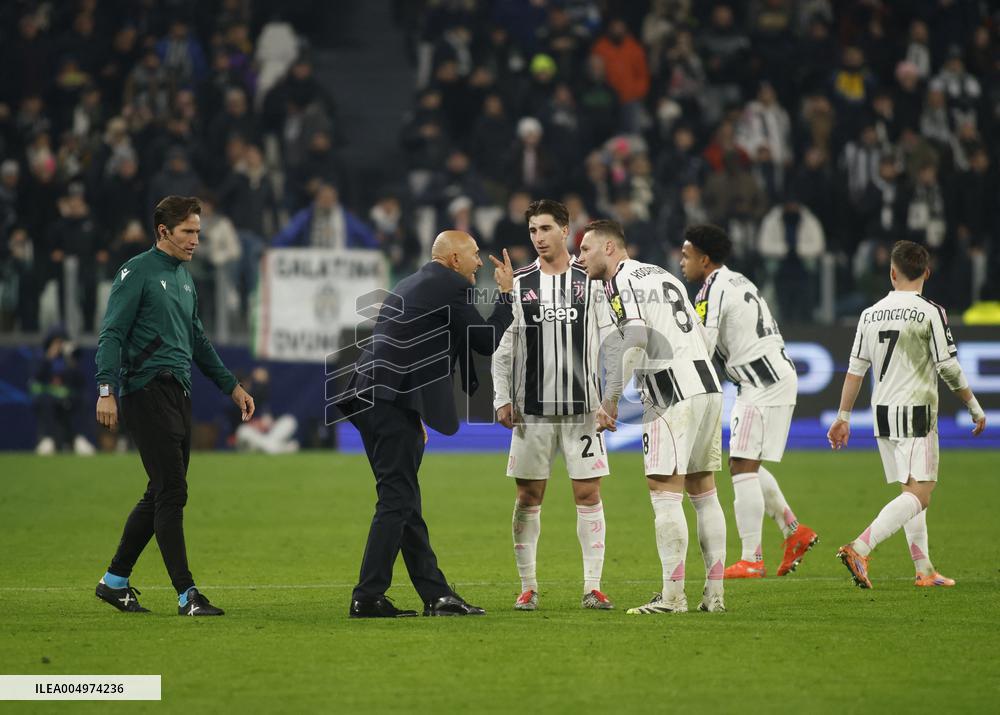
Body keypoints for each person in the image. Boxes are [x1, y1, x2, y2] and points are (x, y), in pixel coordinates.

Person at [333, 231, 515, 618]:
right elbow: (484, 341)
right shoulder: (450, 285)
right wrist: (506, 296)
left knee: (404, 501)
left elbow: (404, 347)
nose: (479, 263)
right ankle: (367, 596)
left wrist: (412, 412)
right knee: (396, 500)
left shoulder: (412, 283)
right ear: (453, 259)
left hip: (372, 397)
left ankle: (436, 595)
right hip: (388, 402)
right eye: (474, 255)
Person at [93, 195, 256, 616]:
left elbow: (197, 340)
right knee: (172, 492)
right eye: (188, 232)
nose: (196, 240)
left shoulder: (184, 279)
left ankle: (114, 581)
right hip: (145, 389)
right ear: (163, 231)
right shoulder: (136, 272)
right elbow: (112, 334)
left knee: (160, 491)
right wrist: (106, 388)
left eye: (198, 232)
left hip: (177, 391)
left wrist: (232, 387)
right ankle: (187, 595)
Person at [578, 219, 728, 614]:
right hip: (707, 385)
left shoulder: (620, 280)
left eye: (586, 249)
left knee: (664, 490)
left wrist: (610, 399)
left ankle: (672, 597)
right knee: (704, 490)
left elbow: (636, 336)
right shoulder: (662, 274)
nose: (581, 257)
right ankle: (714, 596)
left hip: (669, 391)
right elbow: (699, 333)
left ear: (609, 248)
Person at [828, 241, 987, 589]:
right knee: (921, 494)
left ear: (892, 272)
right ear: (926, 273)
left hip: (883, 414)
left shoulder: (869, 313)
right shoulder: (930, 312)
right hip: (916, 411)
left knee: (910, 492)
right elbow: (948, 367)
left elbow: (855, 370)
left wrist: (843, 416)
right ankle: (859, 548)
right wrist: (973, 405)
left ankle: (924, 569)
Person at [492, 199, 614, 612]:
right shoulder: (518, 283)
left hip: (583, 409)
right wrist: (502, 397)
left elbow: (612, 341)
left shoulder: (590, 281)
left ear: (565, 230)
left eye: (545, 229)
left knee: (588, 493)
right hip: (532, 410)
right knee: (528, 496)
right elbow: (504, 348)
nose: (538, 238)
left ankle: (593, 587)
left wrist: (609, 398)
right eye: (532, 231)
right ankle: (527, 587)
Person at [680, 224, 818, 579]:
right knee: (745, 463)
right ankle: (793, 531)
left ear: (704, 259)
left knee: (741, 465)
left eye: (686, 255)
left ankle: (752, 558)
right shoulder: (738, 280)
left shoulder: (711, 289)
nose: (681, 262)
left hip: (760, 382)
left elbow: (703, 345)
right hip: (772, 375)